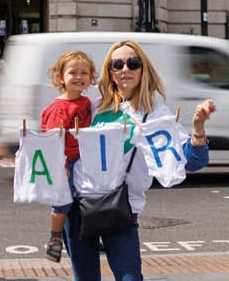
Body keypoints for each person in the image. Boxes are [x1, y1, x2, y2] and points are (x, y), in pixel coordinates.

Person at [66, 40, 215, 280]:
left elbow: (191, 161)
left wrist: (198, 129)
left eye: (132, 63)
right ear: (110, 71)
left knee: (130, 277)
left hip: (121, 208)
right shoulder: (91, 107)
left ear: (143, 69)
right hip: (78, 206)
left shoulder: (155, 112)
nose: (125, 69)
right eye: (117, 64)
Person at [39, 50, 97, 262]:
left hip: (84, 159)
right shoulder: (59, 107)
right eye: (73, 72)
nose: (79, 77)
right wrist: (60, 164)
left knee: (88, 198)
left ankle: (90, 230)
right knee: (62, 201)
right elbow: (53, 139)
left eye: (84, 72)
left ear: (91, 77)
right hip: (66, 160)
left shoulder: (87, 102)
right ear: (61, 77)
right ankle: (55, 238)